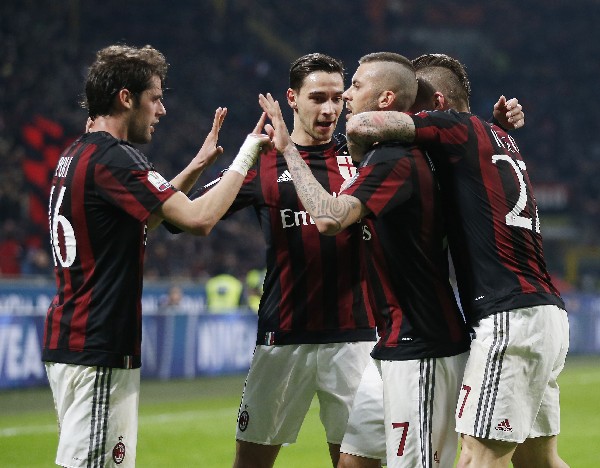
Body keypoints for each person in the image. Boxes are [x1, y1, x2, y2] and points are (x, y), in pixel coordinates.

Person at [42, 43, 271, 468]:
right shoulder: (116, 158)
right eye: (156, 97)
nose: (162, 110)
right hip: (98, 344)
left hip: (74, 339)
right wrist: (248, 154)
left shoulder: (77, 155)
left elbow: (147, 218)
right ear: (125, 98)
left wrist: (197, 166)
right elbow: (199, 219)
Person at [345, 53, 569, 468]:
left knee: (475, 459)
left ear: (439, 106)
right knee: (540, 463)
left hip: (509, 319)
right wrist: (500, 121)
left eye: (417, 108)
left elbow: (365, 124)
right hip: (545, 313)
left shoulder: (454, 127)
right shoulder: (496, 137)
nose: (412, 118)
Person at [259, 51, 473, 468]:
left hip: (423, 345)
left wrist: (288, 151)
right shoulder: (381, 157)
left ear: (386, 100)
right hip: (390, 342)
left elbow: (327, 218)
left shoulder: (395, 159)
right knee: (354, 462)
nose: (345, 99)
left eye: (355, 87)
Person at [195, 53, 377, 468]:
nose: (329, 109)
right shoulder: (260, 162)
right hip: (282, 337)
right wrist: (210, 162)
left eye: (337, 98)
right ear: (292, 98)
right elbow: (187, 217)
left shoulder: (365, 158)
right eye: (318, 97)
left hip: (356, 338)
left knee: (356, 464)